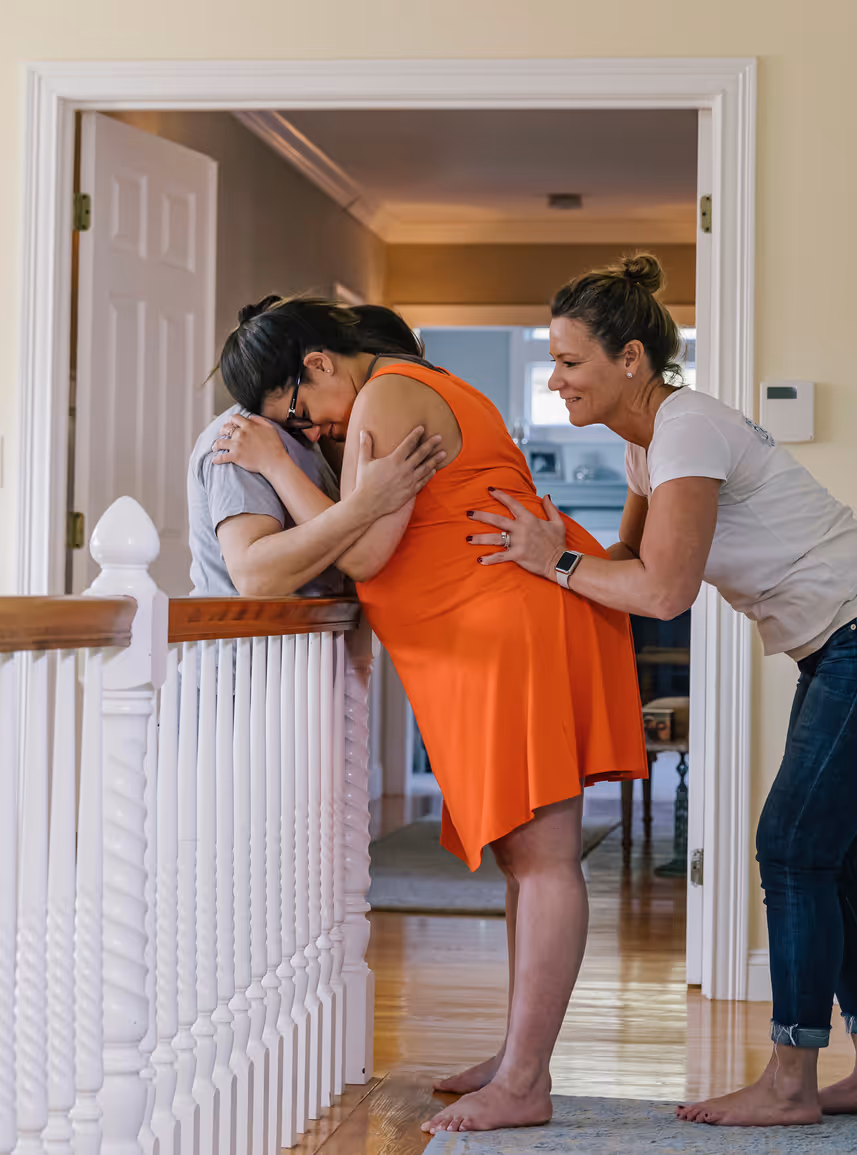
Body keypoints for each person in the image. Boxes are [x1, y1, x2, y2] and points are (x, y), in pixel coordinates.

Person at [466, 254, 857, 1128]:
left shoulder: (686, 425)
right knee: (820, 853)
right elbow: (621, 565)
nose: (556, 379)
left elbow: (662, 592)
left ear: (629, 359)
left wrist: (560, 561)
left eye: (570, 360)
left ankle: (789, 1081)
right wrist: (543, 559)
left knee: (791, 848)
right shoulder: (642, 445)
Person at [211, 294, 649, 1133]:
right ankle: (521, 1057)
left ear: (317, 366)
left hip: (505, 630)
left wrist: (273, 467)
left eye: (298, 416)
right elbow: (380, 527)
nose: (311, 434)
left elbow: (368, 547)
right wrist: (331, 482)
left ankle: (523, 1080)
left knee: (544, 856)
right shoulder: (413, 386)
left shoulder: (386, 394)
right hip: (495, 629)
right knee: (528, 859)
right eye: (293, 432)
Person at [187, 342, 443, 596]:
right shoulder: (242, 437)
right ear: (323, 365)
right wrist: (368, 502)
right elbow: (255, 578)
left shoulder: (320, 441)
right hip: (249, 636)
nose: (313, 431)